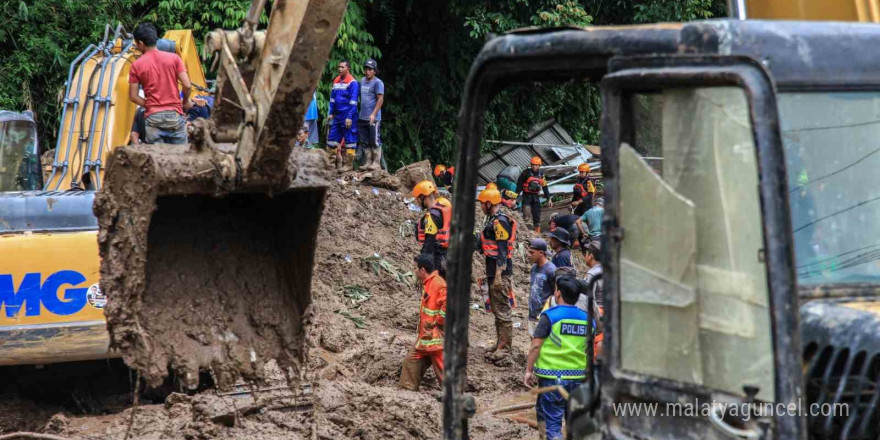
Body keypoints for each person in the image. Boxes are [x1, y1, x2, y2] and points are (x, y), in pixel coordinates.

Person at [524, 275, 593, 440]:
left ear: (558, 293)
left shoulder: (549, 316)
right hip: (579, 378)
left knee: (552, 425)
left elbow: (535, 345)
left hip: (552, 378)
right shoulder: (588, 319)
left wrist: (528, 370)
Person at [128, 23, 192, 145]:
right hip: (174, 116)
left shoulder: (136, 65)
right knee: (181, 158)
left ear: (141, 43)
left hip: (153, 119)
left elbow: (133, 96)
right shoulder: (174, 58)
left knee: (157, 160)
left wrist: (150, 105)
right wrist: (184, 102)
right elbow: (187, 85)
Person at [475, 187, 518, 363]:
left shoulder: (499, 222)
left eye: (482, 204)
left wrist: (499, 275)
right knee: (497, 309)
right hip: (493, 271)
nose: (480, 207)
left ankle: (505, 348)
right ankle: (500, 343)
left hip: (500, 272)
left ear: (488, 203)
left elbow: (502, 251)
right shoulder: (493, 220)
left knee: (502, 310)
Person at [399, 254, 447, 391]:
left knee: (443, 370)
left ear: (422, 270)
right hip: (427, 338)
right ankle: (405, 393)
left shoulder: (438, 284)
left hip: (435, 339)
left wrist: (438, 322)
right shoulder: (429, 284)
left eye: (415, 268)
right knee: (411, 361)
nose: (413, 270)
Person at [412, 180, 452, 277]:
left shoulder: (432, 216)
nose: (416, 202)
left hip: (437, 259)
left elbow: (429, 243)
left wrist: (422, 264)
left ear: (423, 197)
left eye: (417, 199)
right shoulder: (444, 208)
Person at [327, 60, 359, 171]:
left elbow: (353, 101)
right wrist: (331, 113)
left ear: (348, 69)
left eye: (342, 67)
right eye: (339, 67)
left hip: (348, 116)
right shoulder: (336, 81)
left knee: (350, 141)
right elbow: (332, 99)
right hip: (337, 116)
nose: (339, 69)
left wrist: (349, 116)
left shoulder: (353, 83)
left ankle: (348, 165)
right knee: (331, 140)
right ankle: (330, 165)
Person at [358, 59, 385, 171]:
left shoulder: (378, 83)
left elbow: (380, 99)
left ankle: (376, 163)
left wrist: (373, 114)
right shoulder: (362, 81)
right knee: (365, 140)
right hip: (362, 116)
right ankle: (368, 161)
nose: (367, 71)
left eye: (370, 69)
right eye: (366, 69)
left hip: (373, 118)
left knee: (374, 140)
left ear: (374, 71)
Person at [527, 239, 557, 337]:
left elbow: (556, 293)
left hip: (545, 316)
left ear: (541, 253)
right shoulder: (534, 268)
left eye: (532, 252)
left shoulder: (551, 270)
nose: (528, 254)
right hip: (533, 314)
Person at [580, 241, 605, 357]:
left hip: (597, 315)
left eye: (586, 253)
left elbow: (588, 300)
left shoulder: (592, 275)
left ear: (591, 256)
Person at [516, 156, 552, 232]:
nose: (534, 166)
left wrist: (549, 199)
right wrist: (516, 195)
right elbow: (519, 184)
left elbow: (545, 187)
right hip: (526, 196)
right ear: (531, 164)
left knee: (537, 216)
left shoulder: (541, 175)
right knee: (527, 214)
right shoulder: (525, 173)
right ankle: (526, 232)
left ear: (539, 166)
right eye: (533, 164)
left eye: (536, 165)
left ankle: (537, 233)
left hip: (535, 197)